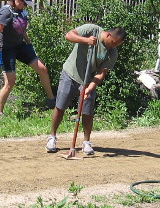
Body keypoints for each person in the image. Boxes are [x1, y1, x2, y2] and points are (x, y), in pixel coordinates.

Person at [45, 24, 126, 155]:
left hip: (87, 80)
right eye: (113, 43)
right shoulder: (91, 30)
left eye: (117, 45)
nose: (114, 46)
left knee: (87, 111)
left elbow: (101, 74)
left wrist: (89, 88)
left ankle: (86, 142)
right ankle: (52, 137)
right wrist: (86, 40)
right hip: (70, 73)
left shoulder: (112, 53)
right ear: (109, 35)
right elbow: (69, 35)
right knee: (60, 106)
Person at [0, 0, 55, 120]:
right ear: (17, 0)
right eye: (24, 3)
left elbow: (21, 29)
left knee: (43, 69)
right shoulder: (6, 12)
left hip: (20, 46)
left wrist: (29, 44)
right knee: (10, 82)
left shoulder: (21, 11)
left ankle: (51, 101)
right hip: (7, 49)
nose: (26, 6)